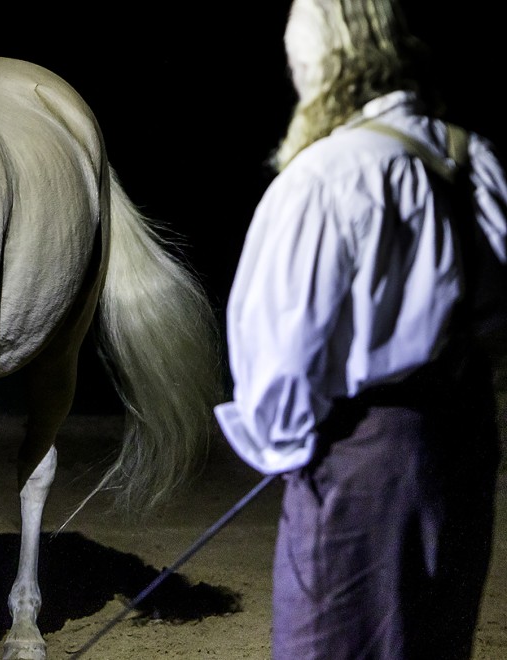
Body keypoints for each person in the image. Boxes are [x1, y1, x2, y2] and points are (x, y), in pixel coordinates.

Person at [214, 0, 507, 657]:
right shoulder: (471, 157)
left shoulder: (322, 179)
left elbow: (279, 365)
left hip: (358, 467)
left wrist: (288, 446)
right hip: (458, 450)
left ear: (325, 61)